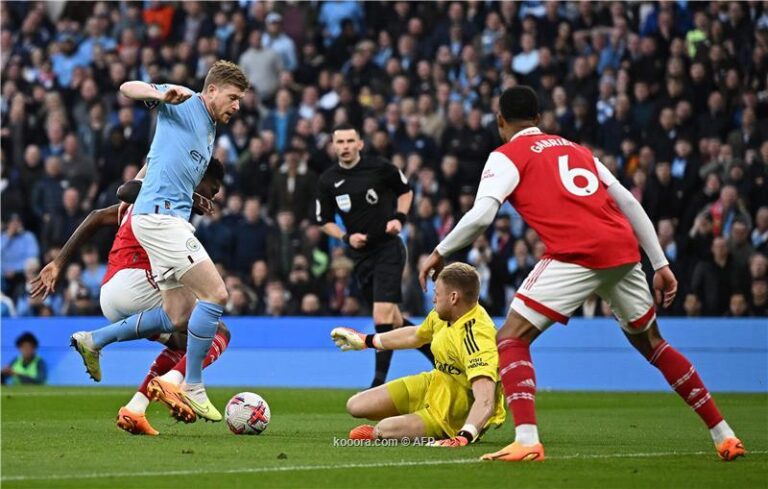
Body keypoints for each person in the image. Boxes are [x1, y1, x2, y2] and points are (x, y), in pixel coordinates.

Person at [419, 86, 744, 462]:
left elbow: (482, 215)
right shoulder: (577, 150)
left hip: (575, 252)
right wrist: (660, 263)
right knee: (654, 343)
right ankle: (724, 435)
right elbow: (627, 201)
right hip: (623, 251)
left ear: (500, 121)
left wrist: (440, 251)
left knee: (510, 338)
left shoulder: (507, 155)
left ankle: (526, 440)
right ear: (538, 119)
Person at [68, 60, 248, 423]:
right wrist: (159, 94)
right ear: (212, 90)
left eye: (240, 100)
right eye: (232, 97)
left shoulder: (209, 126)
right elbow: (127, 87)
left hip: (164, 219)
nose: (237, 106)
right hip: (160, 219)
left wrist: (185, 195)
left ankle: (95, 340)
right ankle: (191, 384)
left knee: (177, 314)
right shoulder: (186, 103)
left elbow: (163, 163)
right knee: (216, 295)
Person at [30, 160, 230, 435]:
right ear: (198, 177)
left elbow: (97, 216)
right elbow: (128, 188)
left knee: (185, 343)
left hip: (111, 292)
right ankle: (169, 379)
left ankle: (135, 408)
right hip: (136, 280)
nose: (214, 197)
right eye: (213, 189)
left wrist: (58, 263)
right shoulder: (166, 196)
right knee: (216, 330)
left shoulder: (149, 205)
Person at [331, 262, 505, 445]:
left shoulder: (477, 338)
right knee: (355, 405)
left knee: (383, 430)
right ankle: (410, 422)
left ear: (453, 297)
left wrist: (465, 435)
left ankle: (405, 427)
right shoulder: (444, 315)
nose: (433, 299)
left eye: (437, 294)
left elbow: (486, 400)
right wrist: (366, 341)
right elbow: (415, 335)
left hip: (452, 413)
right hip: (433, 384)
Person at [316, 123, 433, 388]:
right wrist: (346, 237)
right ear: (333, 146)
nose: (345, 146)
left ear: (360, 144)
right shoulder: (328, 180)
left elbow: (406, 191)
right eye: (340, 142)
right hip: (360, 256)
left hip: (388, 248)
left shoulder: (380, 167)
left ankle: (377, 383)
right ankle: (438, 353)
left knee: (381, 316)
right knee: (393, 320)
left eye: (350, 141)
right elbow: (323, 220)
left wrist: (399, 218)